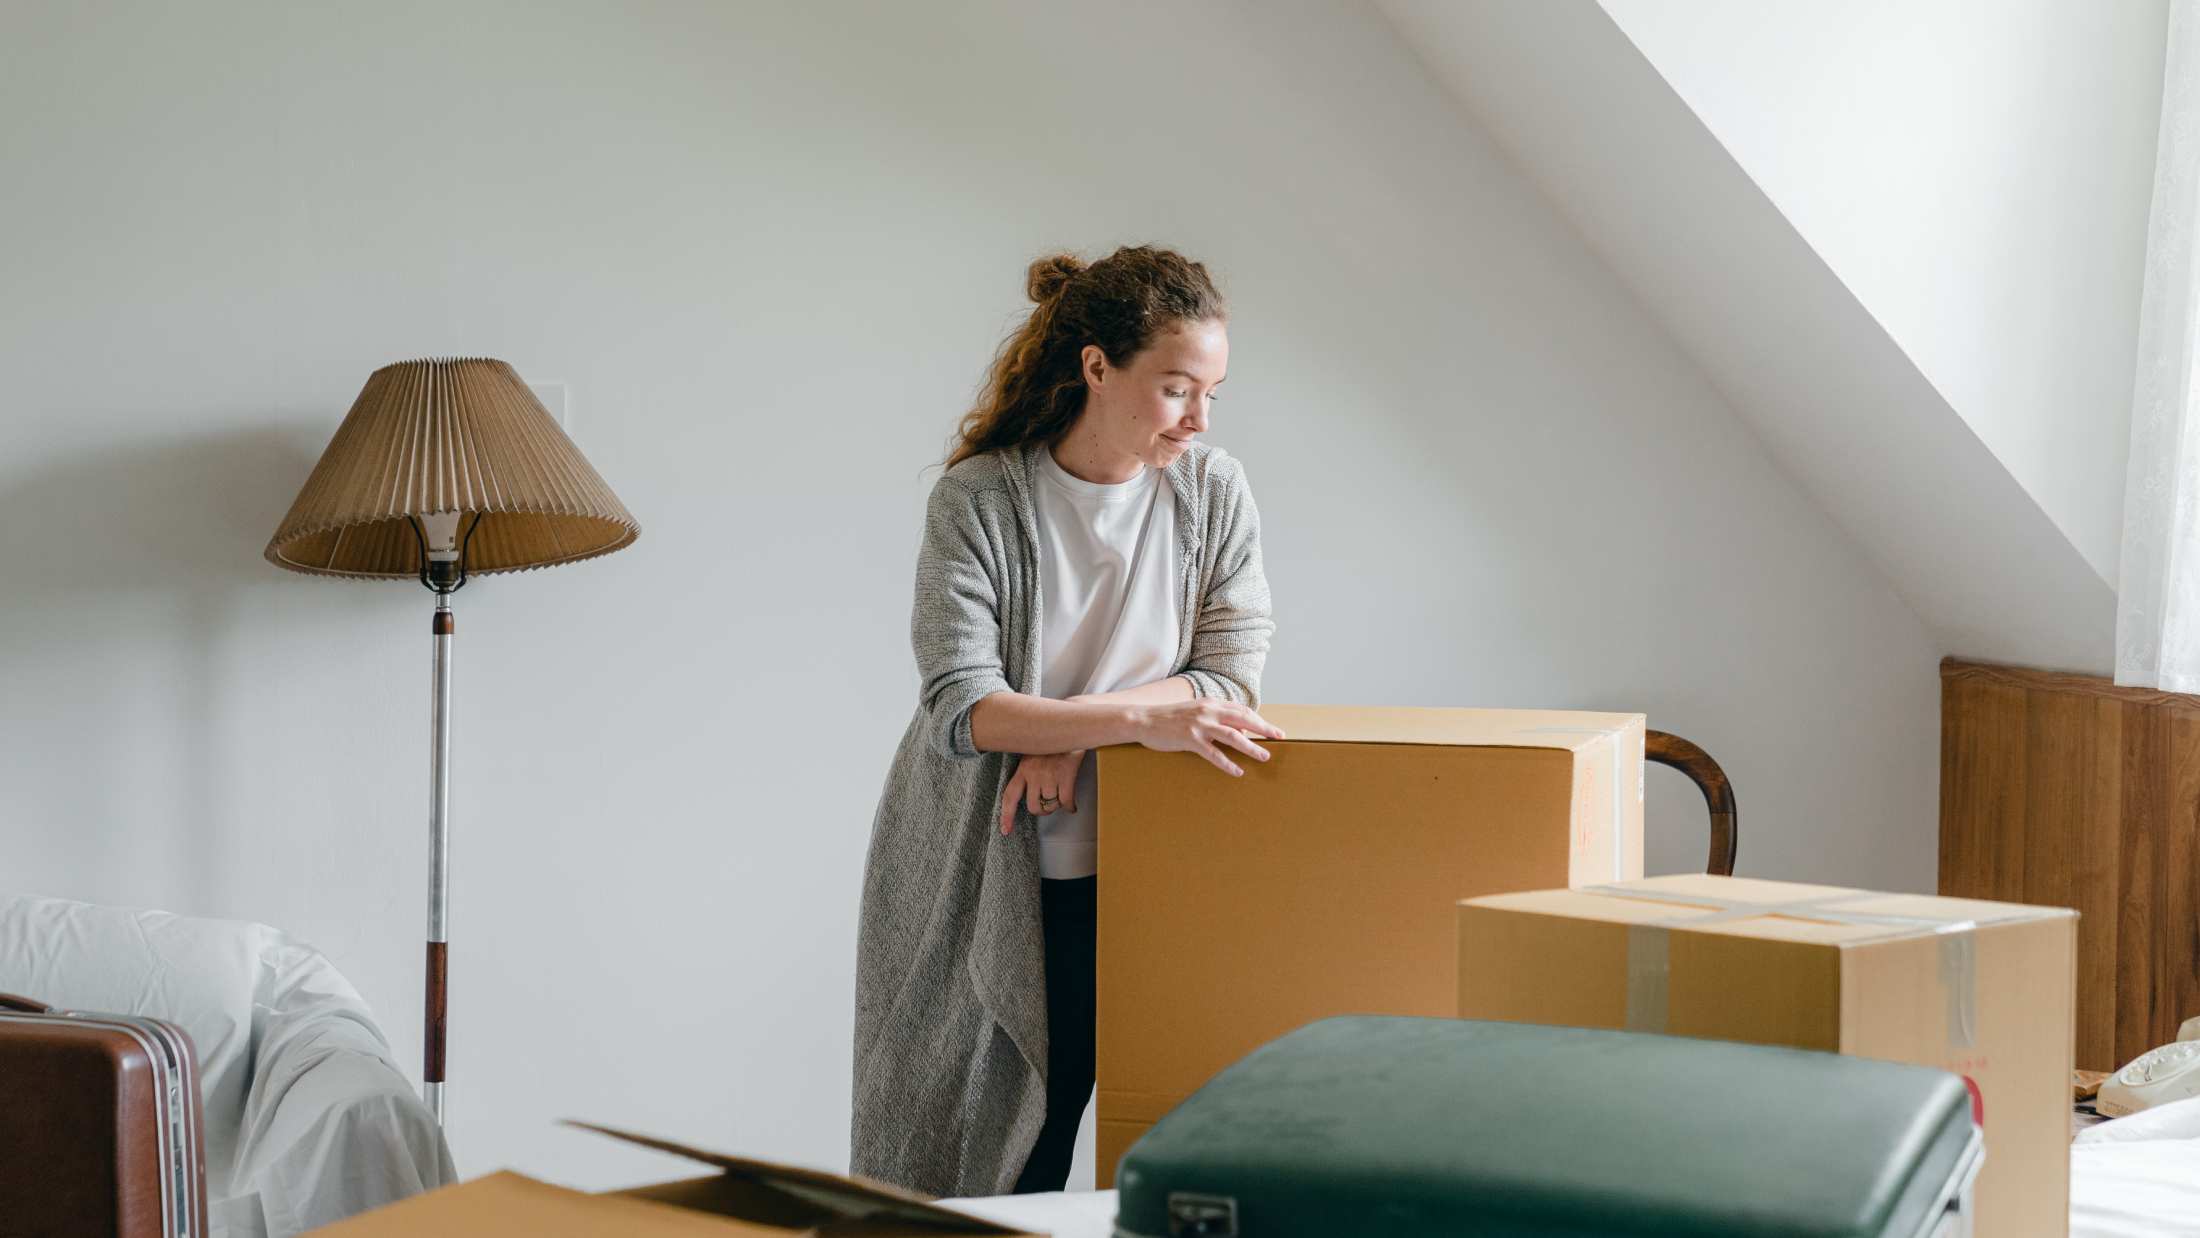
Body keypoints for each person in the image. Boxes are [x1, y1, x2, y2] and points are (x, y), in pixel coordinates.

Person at [850, 245, 1281, 1198]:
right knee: (982, 1159)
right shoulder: (979, 500)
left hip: (1142, 868)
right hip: (985, 867)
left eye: (1212, 392)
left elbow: (1230, 675)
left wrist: (1079, 729)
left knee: (1142, 1152)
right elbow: (962, 707)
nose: (1199, 418)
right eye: (1176, 390)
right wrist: (1124, 719)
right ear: (1097, 366)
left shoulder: (1212, 492)